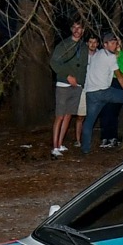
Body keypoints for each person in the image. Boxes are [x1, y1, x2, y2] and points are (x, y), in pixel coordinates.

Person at [81, 33, 123, 153]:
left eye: (115, 43)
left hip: (91, 93)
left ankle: (85, 149)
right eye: (112, 43)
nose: (114, 45)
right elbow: (119, 76)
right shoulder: (109, 56)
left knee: (89, 121)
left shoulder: (97, 54)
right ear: (105, 44)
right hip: (103, 92)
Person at [50, 20, 88, 157]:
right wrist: (67, 76)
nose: (77, 30)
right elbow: (53, 62)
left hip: (77, 87)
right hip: (64, 85)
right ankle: (54, 147)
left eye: (80, 28)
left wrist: (81, 83)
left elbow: (84, 66)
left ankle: (60, 144)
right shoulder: (64, 44)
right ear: (72, 29)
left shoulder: (84, 47)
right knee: (59, 116)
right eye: (75, 27)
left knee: (68, 116)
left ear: (83, 30)